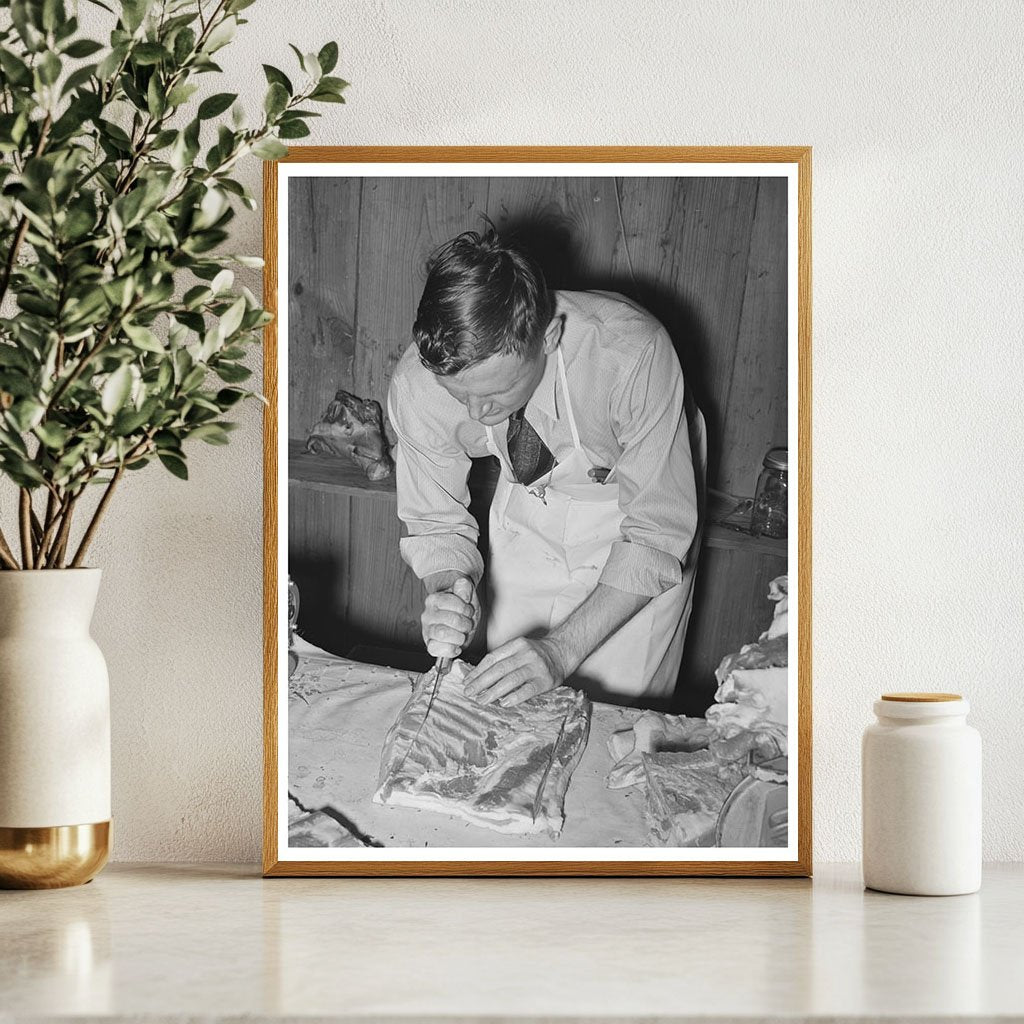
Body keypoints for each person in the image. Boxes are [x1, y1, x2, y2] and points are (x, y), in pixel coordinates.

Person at [387, 229, 706, 708]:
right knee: (510, 691)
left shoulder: (631, 355)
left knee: (616, 705)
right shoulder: (419, 385)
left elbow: (656, 535)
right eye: (460, 394)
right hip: (529, 497)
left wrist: (560, 651)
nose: (474, 414)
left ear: (549, 336)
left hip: (633, 509)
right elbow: (435, 522)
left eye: (494, 394)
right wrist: (449, 589)